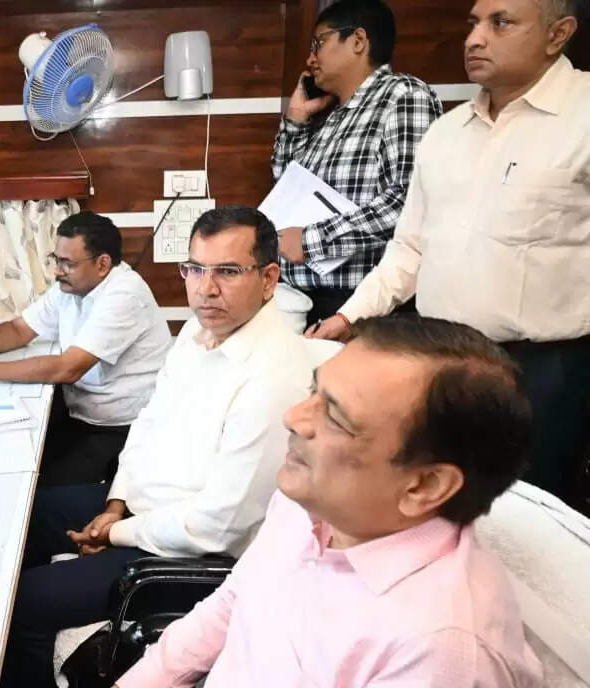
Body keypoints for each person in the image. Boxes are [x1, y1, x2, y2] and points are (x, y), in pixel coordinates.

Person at [117, 316, 543, 688]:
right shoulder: (308, 503)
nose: (293, 417)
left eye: (336, 416)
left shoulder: (439, 652)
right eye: (313, 390)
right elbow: (234, 603)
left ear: (424, 486)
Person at [0, 207, 314, 688]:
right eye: (195, 269)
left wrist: (118, 532)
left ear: (268, 279)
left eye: (228, 272)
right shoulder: (196, 332)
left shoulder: (274, 374)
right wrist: (116, 502)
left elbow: (218, 527)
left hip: (184, 552)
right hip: (141, 508)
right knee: (22, 516)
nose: (206, 289)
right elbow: (147, 423)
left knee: (22, 603)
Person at [311, 0, 589, 505]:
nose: (474, 39)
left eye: (500, 23)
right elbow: (410, 247)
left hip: (544, 372)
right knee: (442, 507)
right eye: (473, 23)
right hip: (442, 362)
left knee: (528, 518)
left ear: (558, 33)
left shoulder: (584, 114)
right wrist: (350, 316)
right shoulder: (446, 131)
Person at [0, 211, 171, 486]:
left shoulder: (124, 295)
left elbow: (68, 368)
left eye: (67, 263)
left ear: (103, 264)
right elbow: (20, 329)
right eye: (56, 260)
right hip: (78, 412)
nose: (57, 271)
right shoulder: (71, 287)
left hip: (120, 428)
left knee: (35, 488)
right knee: (2, 456)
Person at [272, 0, 442, 325]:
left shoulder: (404, 95)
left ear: (358, 40)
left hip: (364, 310)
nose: (310, 59)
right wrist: (295, 120)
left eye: (318, 43)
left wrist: (310, 241)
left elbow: (406, 205)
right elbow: (285, 185)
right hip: (306, 304)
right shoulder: (333, 116)